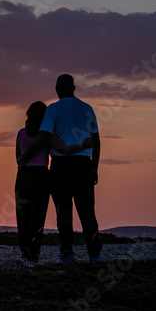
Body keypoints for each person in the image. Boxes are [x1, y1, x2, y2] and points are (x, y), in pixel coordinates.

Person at [15, 101, 91, 266]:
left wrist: (25, 158)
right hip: (41, 176)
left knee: (22, 216)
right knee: (37, 217)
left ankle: (25, 253)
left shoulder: (21, 133)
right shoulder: (47, 135)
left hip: (23, 176)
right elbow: (65, 150)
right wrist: (83, 145)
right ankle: (33, 255)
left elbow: (18, 158)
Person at [38, 74, 102, 263]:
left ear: (57, 89)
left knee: (63, 211)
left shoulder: (52, 109)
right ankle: (94, 254)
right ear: (74, 89)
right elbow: (96, 140)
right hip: (83, 164)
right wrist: (95, 167)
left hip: (60, 166)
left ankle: (66, 253)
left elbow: (45, 136)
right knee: (87, 211)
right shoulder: (87, 108)